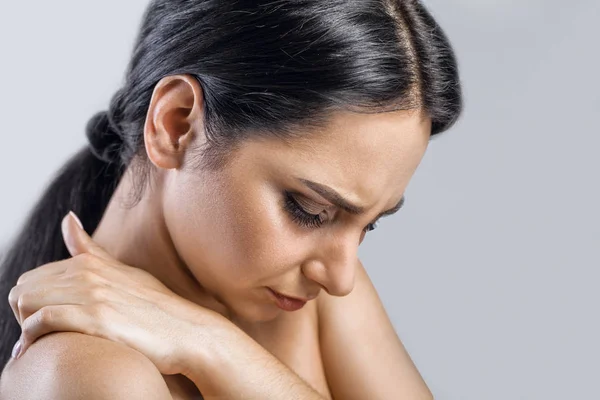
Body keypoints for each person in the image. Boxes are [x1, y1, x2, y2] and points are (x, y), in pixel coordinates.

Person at [0, 0, 462, 398]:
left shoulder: (302, 289)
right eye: (309, 210)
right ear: (177, 124)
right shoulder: (87, 374)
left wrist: (215, 347)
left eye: (369, 225)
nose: (341, 278)